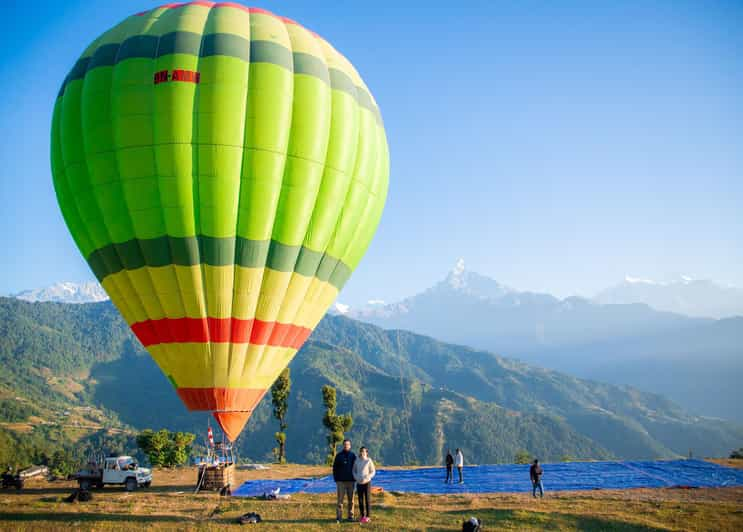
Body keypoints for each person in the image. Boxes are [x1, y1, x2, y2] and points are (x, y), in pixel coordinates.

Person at [332, 439, 357, 522]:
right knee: (340, 500)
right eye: (345, 444)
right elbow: (334, 468)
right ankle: (339, 517)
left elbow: (356, 467)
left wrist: (356, 478)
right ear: (343, 445)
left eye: (348, 444)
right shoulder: (339, 456)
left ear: (350, 446)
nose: (346, 446)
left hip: (351, 481)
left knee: (351, 500)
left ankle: (351, 516)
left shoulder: (353, 456)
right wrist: (336, 479)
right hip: (341, 482)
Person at [352, 446, 376, 523]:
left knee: (367, 499)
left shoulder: (369, 460)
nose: (362, 452)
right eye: (361, 451)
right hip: (359, 483)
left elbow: (373, 471)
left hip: (367, 483)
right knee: (360, 500)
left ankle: (368, 516)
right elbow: (354, 471)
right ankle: (362, 515)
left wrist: (368, 476)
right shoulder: (357, 461)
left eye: (364, 451)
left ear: (366, 452)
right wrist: (356, 478)